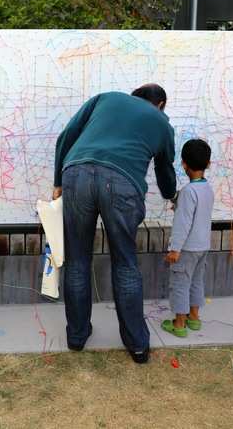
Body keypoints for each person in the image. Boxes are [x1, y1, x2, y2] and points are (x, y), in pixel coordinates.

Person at [53, 83, 176, 363]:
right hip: (123, 183)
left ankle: (77, 336)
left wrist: (58, 182)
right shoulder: (161, 123)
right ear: (160, 104)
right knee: (125, 262)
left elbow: (66, 136)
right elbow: (165, 169)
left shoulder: (105, 99)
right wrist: (171, 195)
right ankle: (137, 345)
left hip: (76, 173)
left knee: (78, 260)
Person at [162, 139, 214, 338]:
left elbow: (182, 224)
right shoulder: (207, 189)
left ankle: (179, 323)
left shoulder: (187, 192)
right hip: (203, 246)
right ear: (208, 164)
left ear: (183, 163)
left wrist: (175, 249)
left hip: (186, 249)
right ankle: (194, 317)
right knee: (196, 281)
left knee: (180, 284)